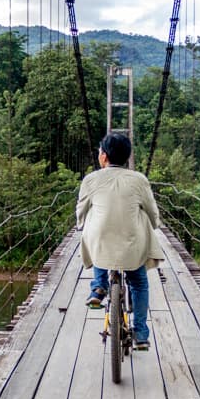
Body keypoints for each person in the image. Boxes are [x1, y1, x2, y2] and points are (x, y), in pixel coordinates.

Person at [76, 132, 163, 350]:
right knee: (139, 282)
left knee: (93, 229)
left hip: (100, 245)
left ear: (103, 157)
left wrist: (82, 223)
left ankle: (98, 287)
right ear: (127, 157)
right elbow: (153, 213)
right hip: (131, 249)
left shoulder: (91, 179)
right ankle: (141, 334)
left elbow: (81, 210)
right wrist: (154, 223)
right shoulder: (139, 180)